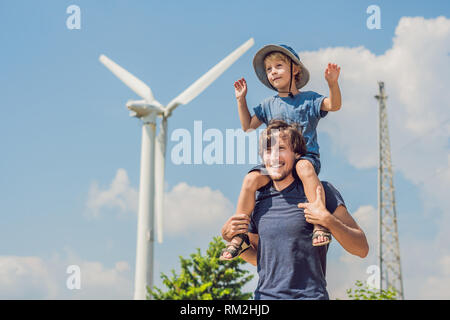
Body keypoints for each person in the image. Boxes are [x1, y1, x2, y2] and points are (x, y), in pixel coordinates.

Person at [221, 120, 369, 299]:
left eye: (281, 148)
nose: (274, 157)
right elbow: (260, 260)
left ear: (297, 154)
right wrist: (230, 238)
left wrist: (327, 220)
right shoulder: (257, 201)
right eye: (268, 150)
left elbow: (362, 249)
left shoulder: (322, 192)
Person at [221, 44, 342, 260]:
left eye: (279, 66)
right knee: (250, 179)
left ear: (294, 70)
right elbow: (248, 125)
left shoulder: (309, 100)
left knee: (304, 167)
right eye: (269, 69)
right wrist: (241, 100)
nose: (273, 72)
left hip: (304, 158)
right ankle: (240, 235)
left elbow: (333, 105)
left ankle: (319, 224)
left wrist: (333, 84)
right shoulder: (268, 104)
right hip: (276, 163)